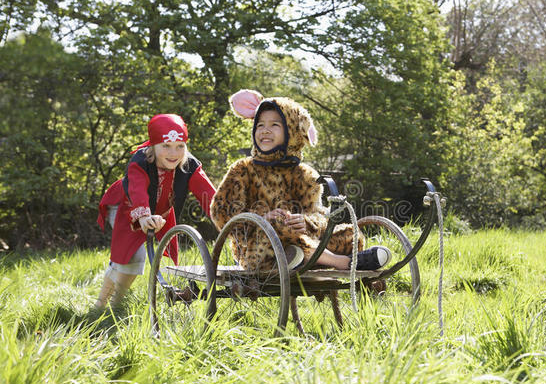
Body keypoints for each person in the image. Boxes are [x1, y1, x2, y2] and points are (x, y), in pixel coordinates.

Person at [210, 89, 391, 272]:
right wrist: (260, 219)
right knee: (277, 223)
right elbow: (221, 212)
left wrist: (306, 222)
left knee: (350, 234)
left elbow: (318, 214)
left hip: (302, 241)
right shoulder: (243, 169)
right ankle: (343, 263)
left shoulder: (305, 175)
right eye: (260, 125)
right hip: (258, 249)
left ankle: (302, 257)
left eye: (274, 125)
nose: (265, 130)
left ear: (292, 132)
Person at [95, 114, 216, 308]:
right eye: (166, 146)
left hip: (159, 213)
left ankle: (107, 306)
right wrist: (143, 215)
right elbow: (137, 189)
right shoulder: (141, 161)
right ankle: (108, 306)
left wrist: (226, 215)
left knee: (124, 262)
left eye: (180, 146)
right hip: (126, 207)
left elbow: (210, 196)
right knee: (133, 257)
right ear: (153, 146)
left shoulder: (188, 165)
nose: (173, 153)